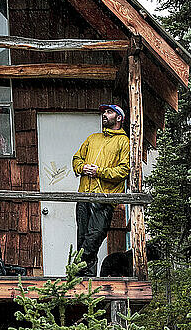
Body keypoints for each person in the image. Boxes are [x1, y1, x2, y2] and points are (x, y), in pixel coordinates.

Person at [72, 104, 130, 276]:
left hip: (104, 199)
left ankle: (76, 269)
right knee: (83, 237)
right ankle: (86, 278)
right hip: (84, 195)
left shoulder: (123, 142)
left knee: (94, 237)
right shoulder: (92, 138)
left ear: (119, 118)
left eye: (109, 112)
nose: (104, 114)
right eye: (104, 112)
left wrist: (99, 172)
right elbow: (76, 158)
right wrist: (82, 167)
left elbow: (123, 171)